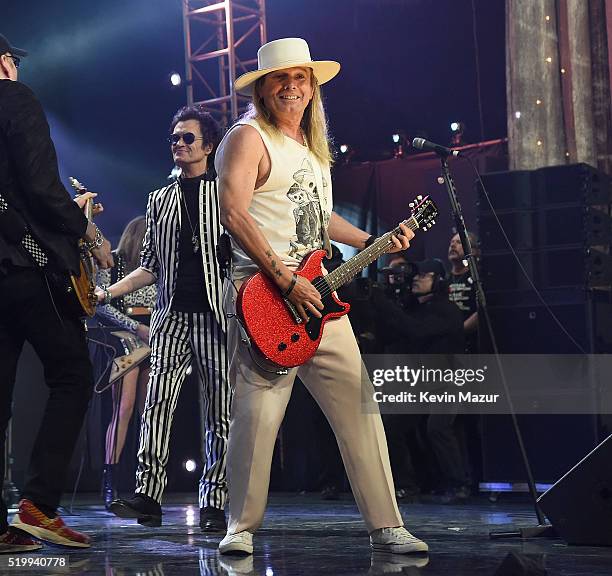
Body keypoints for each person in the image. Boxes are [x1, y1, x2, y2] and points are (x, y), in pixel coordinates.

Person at [215, 37, 428, 555]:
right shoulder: (246, 138)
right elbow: (234, 213)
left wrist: (373, 240)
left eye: (300, 78)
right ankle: (239, 528)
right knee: (257, 417)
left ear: (312, 88)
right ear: (263, 89)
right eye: (280, 78)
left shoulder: (313, 152)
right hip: (265, 292)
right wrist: (285, 279)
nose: (292, 86)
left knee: (360, 410)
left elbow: (318, 217)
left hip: (319, 295)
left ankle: (387, 525)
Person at [0, 33, 113, 552]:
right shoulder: (15, 98)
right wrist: (85, 229)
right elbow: (43, 189)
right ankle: (38, 507)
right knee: (72, 373)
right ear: (5, 63)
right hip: (28, 267)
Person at [101, 105, 230, 532]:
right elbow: (150, 265)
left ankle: (214, 500)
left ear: (208, 146)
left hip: (215, 315)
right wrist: (107, 292)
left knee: (219, 410)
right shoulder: (159, 199)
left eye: (188, 138)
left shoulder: (227, 190)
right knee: (157, 404)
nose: (178, 143)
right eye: (174, 137)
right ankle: (148, 496)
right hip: (170, 315)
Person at [373, 259, 470, 502]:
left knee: (437, 427)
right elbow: (393, 334)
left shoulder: (446, 310)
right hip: (425, 382)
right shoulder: (414, 308)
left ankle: (460, 484)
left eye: (425, 275)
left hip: (451, 379)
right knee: (392, 426)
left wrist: (384, 303)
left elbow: (416, 330)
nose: (417, 279)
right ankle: (407, 484)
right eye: (417, 275)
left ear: (437, 280)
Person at [94, 216, 154, 509]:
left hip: (154, 338)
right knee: (125, 406)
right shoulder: (114, 263)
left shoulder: (157, 266)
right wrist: (135, 327)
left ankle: (144, 480)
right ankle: (110, 478)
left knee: (149, 411)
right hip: (124, 339)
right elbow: (100, 305)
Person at [448, 232, 480, 352]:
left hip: (472, 346)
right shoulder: (444, 280)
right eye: (451, 242)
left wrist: (460, 330)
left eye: (459, 242)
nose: (453, 245)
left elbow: (481, 311)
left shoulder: (477, 279)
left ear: (474, 250)